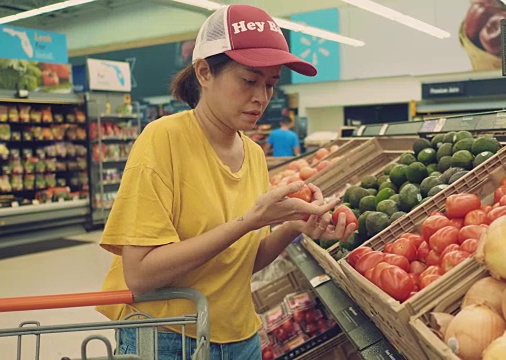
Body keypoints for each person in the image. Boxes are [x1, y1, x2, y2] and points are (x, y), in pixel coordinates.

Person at [95, 4, 356, 360]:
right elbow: (140, 274)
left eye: (270, 84)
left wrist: (294, 226)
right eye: (249, 80)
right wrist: (249, 221)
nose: (261, 97)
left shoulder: (253, 154)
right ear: (204, 72)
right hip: (169, 338)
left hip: (241, 337)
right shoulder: (164, 139)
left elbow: (241, 261)